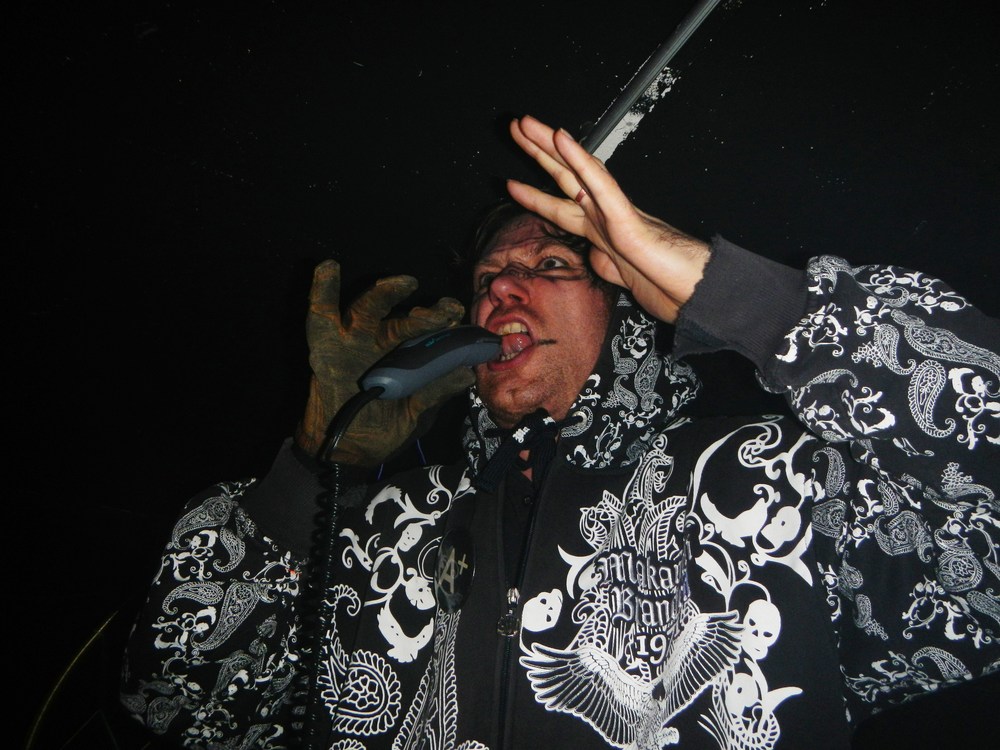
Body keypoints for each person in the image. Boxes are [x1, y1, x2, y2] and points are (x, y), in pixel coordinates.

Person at [120, 115, 1000, 749]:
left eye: (550, 264)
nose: (503, 291)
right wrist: (313, 472)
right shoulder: (384, 534)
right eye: (489, 278)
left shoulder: (757, 482)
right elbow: (180, 703)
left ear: (627, 311)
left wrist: (742, 298)